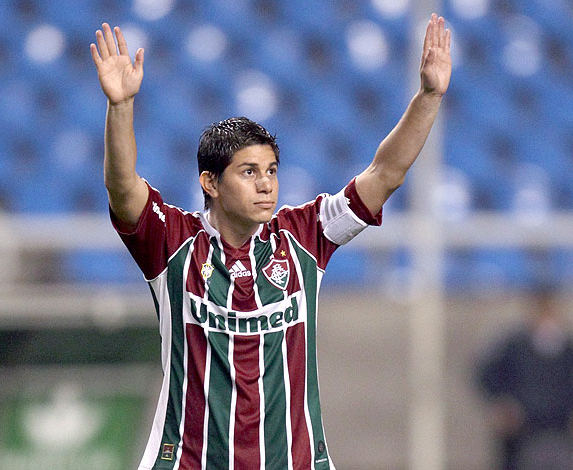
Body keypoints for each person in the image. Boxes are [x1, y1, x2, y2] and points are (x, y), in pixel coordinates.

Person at [90, 14, 451, 470]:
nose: (266, 185)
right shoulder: (172, 242)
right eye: (248, 172)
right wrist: (120, 106)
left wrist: (429, 96)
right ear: (210, 183)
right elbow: (122, 189)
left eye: (272, 172)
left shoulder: (305, 235)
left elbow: (386, 174)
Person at [476, 286, 573, 470]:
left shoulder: (568, 350)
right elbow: (485, 373)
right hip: (522, 430)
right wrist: (501, 402)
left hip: (560, 429)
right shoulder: (514, 346)